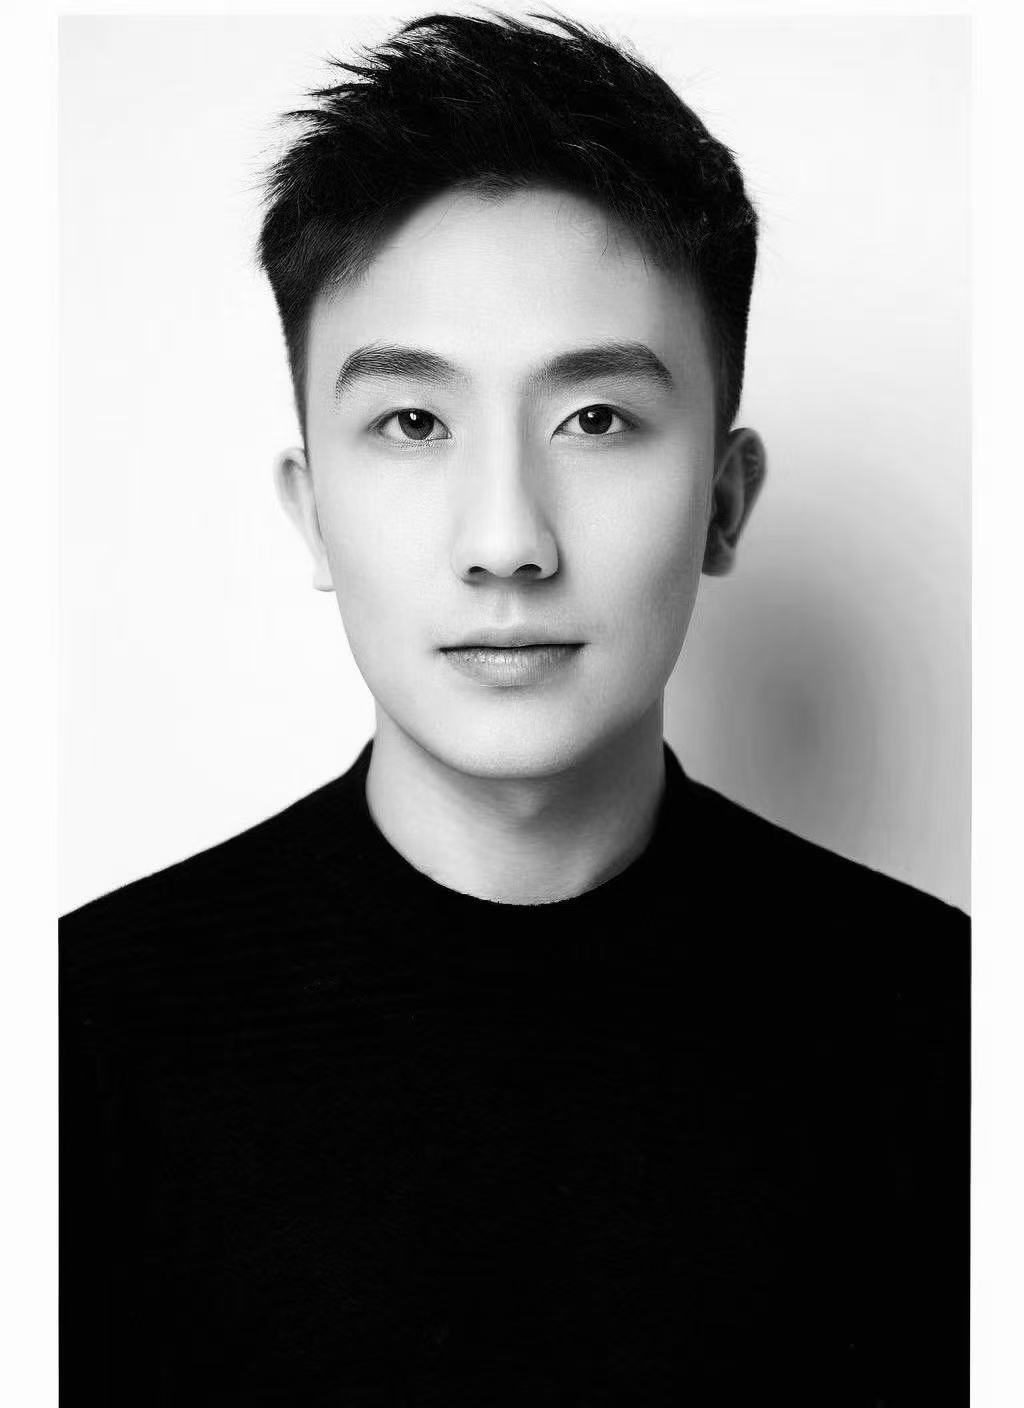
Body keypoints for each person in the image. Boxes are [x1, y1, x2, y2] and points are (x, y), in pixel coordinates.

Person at [60, 12, 969, 1405]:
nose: (506, 541)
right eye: (412, 423)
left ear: (724, 503)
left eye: (596, 420)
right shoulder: (68, 1046)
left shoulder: (956, 1034)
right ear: (313, 511)